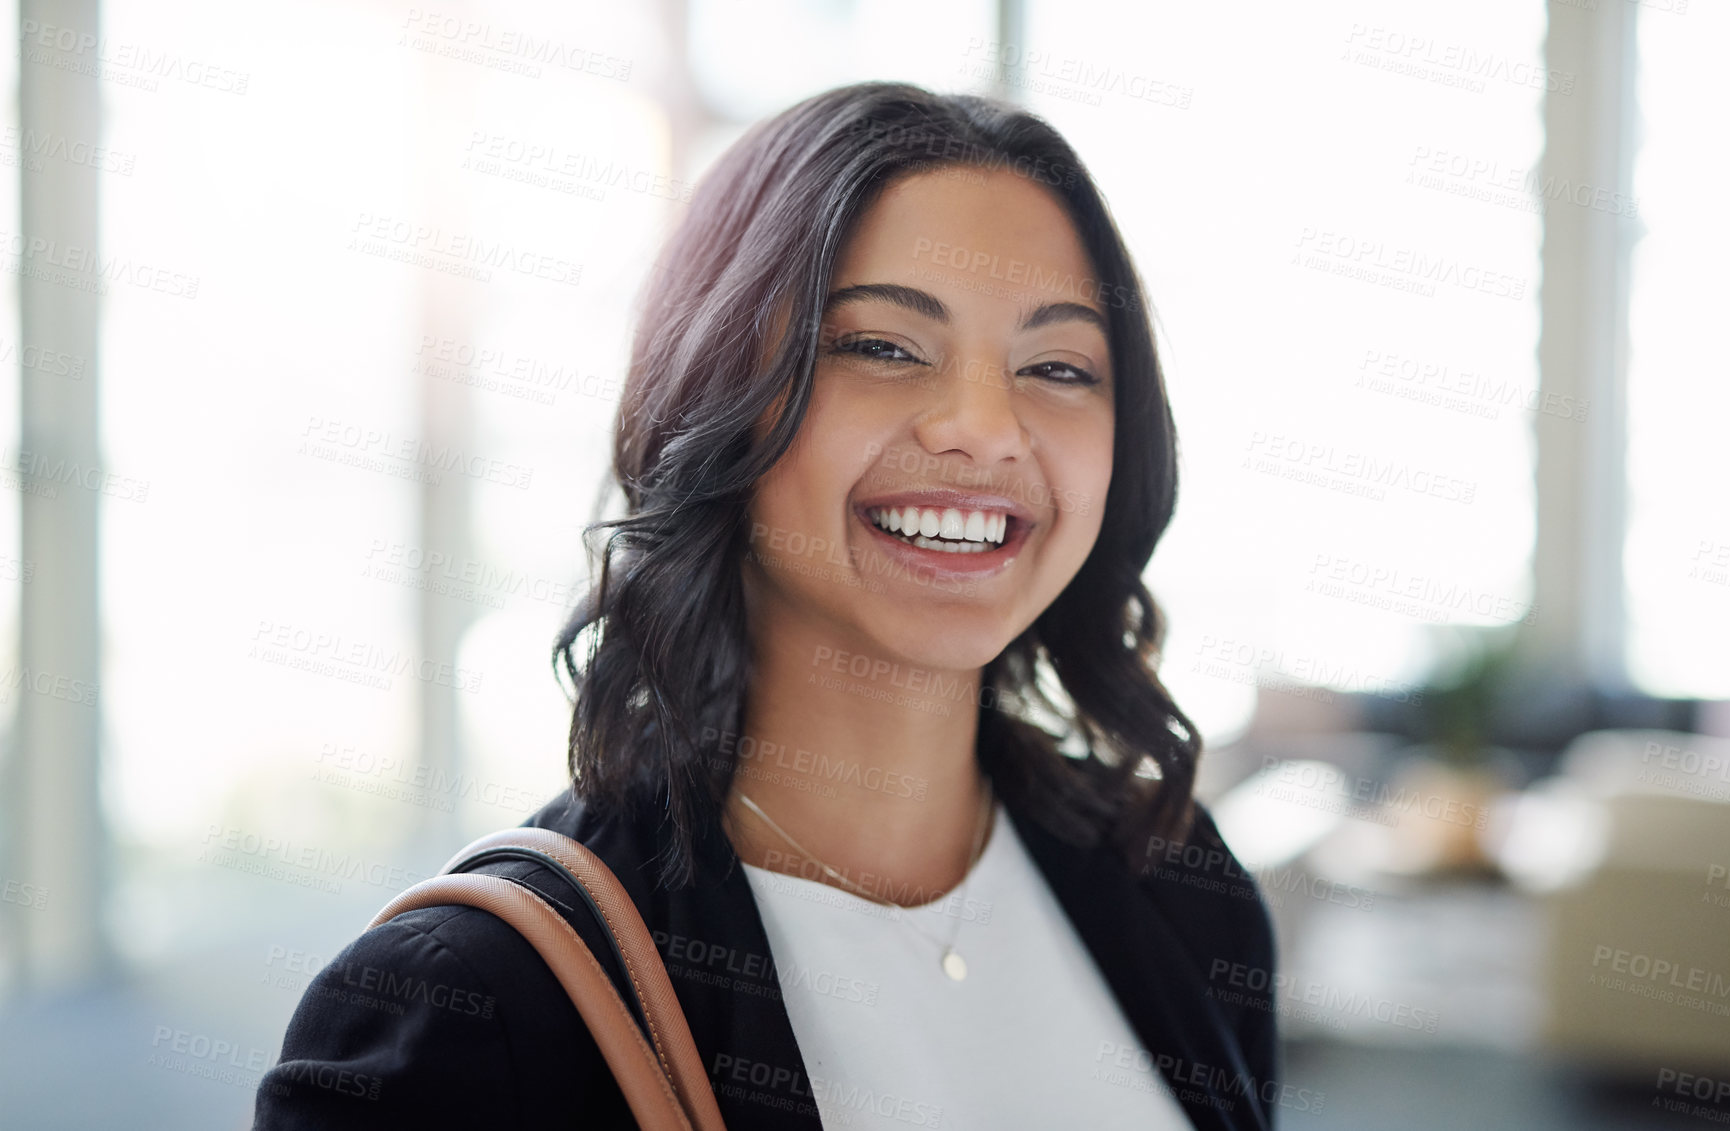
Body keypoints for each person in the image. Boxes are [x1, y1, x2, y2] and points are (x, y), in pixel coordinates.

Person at [255, 80, 1281, 1130]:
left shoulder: (1179, 888)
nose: (984, 427)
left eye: (1058, 366)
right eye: (880, 347)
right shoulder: (468, 1013)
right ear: (712, 397)